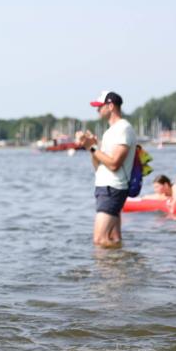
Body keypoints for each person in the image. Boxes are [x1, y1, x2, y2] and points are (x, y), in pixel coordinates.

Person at [75, 91, 136, 248]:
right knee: (114, 238)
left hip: (113, 188)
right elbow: (99, 167)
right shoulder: (110, 131)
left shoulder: (123, 128)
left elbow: (114, 164)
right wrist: (92, 148)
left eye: (99, 107)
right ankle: (118, 270)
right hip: (106, 187)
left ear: (110, 106)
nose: (97, 110)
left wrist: (92, 147)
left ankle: (106, 272)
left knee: (100, 240)